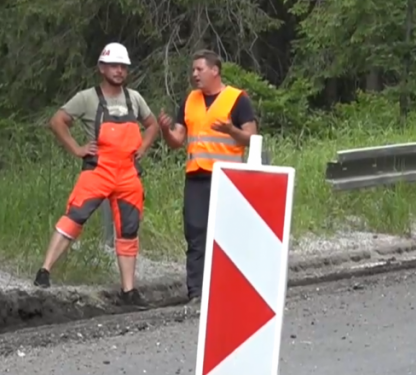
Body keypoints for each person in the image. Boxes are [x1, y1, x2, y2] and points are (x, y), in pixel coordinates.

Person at [34, 42, 160, 306]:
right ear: (102, 68)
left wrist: (143, 148)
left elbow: (152, 125)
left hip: (128, 173)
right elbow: (57, 121)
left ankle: (129, 291)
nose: (118, 71)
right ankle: (44, 272)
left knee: (128, 230)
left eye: (123, 66)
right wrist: (76, 148)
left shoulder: (134, 98)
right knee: (74, 216)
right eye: (113, 65)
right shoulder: (87, 98)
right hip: (97, 170)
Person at [158, 49, 258, 304]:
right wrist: (165, 131)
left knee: (228, 234)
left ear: (215, 70)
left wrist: (230, 130)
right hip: (197, 176)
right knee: (195, 233)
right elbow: (178, 140)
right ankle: (196, 293)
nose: (194, 75)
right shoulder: (190, 100)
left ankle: (231, 288)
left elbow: (252, 137)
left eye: (199, 69)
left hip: (228, 177)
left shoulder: (237, 99)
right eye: (193, 70)